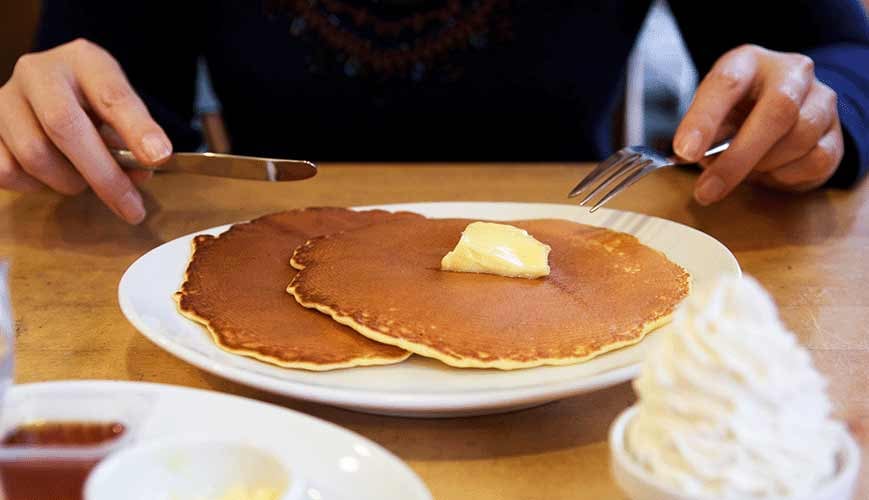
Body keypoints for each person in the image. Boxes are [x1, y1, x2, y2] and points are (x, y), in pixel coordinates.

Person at [0, 1, 867, 224]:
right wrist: (52, 126)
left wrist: (819, 113)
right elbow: (95, 89)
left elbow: (843, 57)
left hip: (577, 246)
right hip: (243, 264)